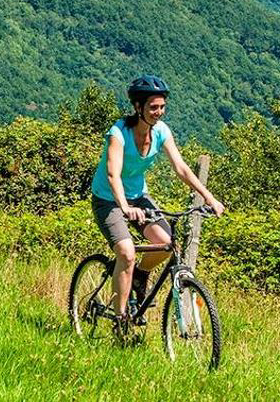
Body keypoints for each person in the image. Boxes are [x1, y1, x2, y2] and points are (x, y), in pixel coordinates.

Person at [89, 75, 224, 328]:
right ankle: (121, 320)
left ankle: (140, 275)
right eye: (153, 107)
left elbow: (181, 168)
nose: (159, 112)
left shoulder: (161, 132)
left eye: (162, 107)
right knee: (127, 253)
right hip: (108, 199)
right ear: (138, 107)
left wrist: (210, 198)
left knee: (165, 243)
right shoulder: (118, 133)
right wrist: (125, 208)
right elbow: (112, 174)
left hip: (139, 197)